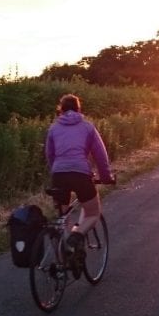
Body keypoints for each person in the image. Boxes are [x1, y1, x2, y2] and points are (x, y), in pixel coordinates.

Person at [44, 93, 114, 259]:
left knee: (63, 216)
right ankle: (76, 237)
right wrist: (105, 176)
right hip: (81, 174)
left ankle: (66, 251)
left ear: (60, 109)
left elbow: (50, 155)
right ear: (78, 108)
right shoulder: (87, 127)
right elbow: (100, 155)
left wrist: (56, 172)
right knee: (92, 213)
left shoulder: (53, 128)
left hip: (59, 175)